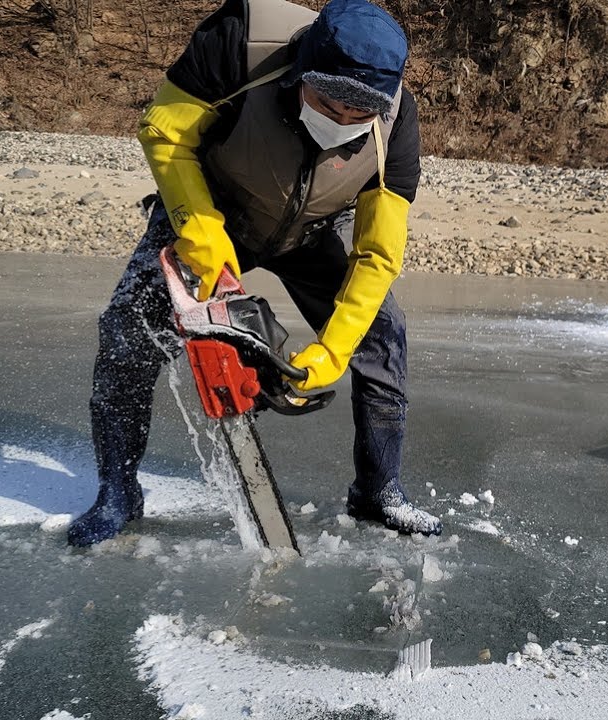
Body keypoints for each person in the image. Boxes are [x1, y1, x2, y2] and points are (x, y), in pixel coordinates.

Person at [67, 0, 441, 546]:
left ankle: (379, 492)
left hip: (310, 233)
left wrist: (332, 352)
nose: (340, 122)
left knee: (383, 337)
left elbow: (378, 254)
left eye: (357, 115)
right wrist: (198, 229)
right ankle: (117, 491)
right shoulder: (241, 43)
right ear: (301, 73)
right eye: (328, 102)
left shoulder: (396, 119)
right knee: (127, 335)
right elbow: (166, 130)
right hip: (212, 213)